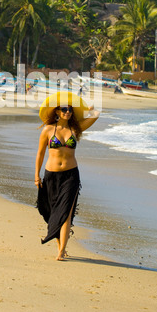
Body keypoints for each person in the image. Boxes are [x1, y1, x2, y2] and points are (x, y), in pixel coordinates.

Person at [35, 91, 100, 261]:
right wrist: (37, 176)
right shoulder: (48, 130)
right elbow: (40, 154)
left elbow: (96, 115)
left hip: (71, 176)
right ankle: (60, 245)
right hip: (51, 175)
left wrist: (89, 108)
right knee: (54, 213)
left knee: (66, 212)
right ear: (57, 111)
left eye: (70, 109)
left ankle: (61, 251)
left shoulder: (75, 128)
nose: (67, 112)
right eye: (64, 109)